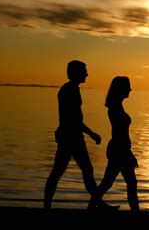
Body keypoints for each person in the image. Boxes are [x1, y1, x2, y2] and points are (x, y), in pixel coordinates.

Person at [44, 60, 109, 209]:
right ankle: (99, 205)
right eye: (84, 71)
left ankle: (99, 204)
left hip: (71, 136)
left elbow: (75, 119)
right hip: (71, 138)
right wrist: (92, 134)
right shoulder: (69, 90)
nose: (87, 74)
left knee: (70, 171)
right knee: (64, 171)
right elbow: (74, 119)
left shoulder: (71, 89)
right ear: (77, 72)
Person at [88, 76, 139, 211]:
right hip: (119, 150)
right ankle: (136, 212)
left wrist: (129, 152)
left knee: (109, 182)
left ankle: (91, 208)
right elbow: (119, 135)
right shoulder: (115, 108)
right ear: (121, 88)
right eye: (128, 86)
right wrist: (128, 154)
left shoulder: (118, 106)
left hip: (119, 149)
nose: (130, 89)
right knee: (128, 182)